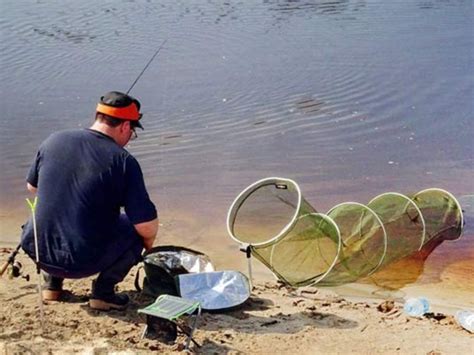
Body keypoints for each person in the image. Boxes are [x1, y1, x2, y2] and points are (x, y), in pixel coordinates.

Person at [20, 91, 158, 311]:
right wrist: (146, 246)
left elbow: (33, 187)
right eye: (132, 131)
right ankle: (103, 294)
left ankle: (52, 286)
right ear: (124, 126)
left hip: (38, 249)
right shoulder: (124, 161)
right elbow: (146, 225)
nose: (130, 137)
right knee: (134, 232)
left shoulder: (54, 140)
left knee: (51, 213)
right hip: (81, 262)